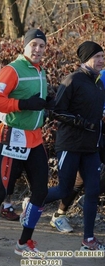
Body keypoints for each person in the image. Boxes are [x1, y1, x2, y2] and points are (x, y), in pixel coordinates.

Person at [0, 29, 51, 257]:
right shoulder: (11, 70)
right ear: (24, 46)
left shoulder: (41, 70)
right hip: (13, 137)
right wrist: (24, 104)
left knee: (41, 191)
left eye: (41, 46)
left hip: (35, 138)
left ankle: (24, 242)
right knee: (3, 190)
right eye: (34, 45)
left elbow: (37, 102)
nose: (37, 49)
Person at [43, 41, 105, 250]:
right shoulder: (72, 80)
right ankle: (34, 202)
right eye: (97, 56)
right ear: (86, 59)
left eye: (102, 56)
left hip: (91, 147)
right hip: (70, 144)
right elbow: (56, 111)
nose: (101, 60)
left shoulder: (98, 83)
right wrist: (82, 122)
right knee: (64, 189)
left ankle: (88, 239)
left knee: (93, 190)